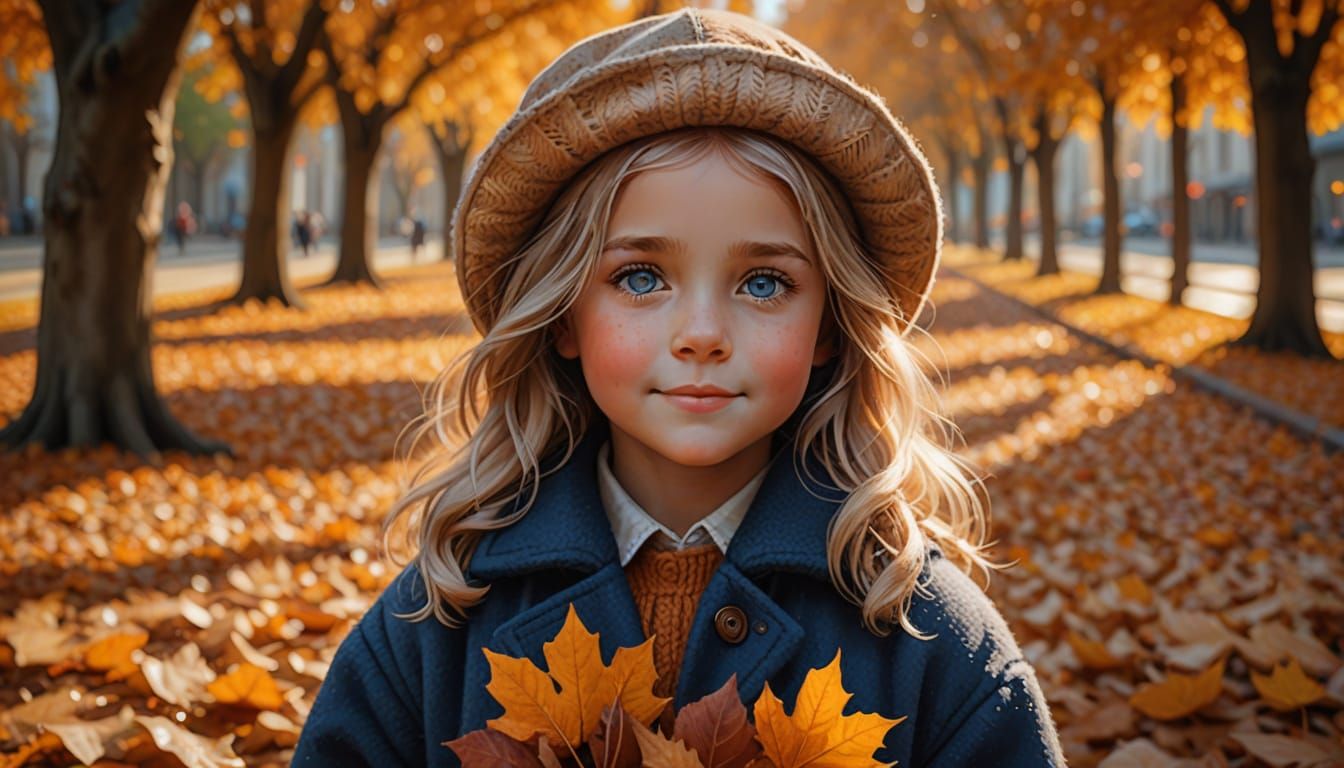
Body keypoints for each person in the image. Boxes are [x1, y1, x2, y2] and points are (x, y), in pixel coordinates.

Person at [293, 9, 1063, 767]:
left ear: (829, 323)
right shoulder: (438, 621)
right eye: (639, 277)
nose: (702, 332)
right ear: (563, 315)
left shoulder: (931, 641)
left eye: (764, 282)